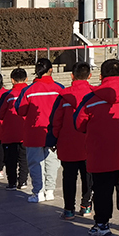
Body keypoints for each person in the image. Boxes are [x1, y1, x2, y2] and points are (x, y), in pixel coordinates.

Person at [74, 58, 119, 236]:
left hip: (99, 152)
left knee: (102, 189)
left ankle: (102, 223)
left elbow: (79, 124)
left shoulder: (90, 99)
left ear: (101, 76)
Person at [48, 61, 94, 220]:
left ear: (72, 75)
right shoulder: (94, 94)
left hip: (67, 142)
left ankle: (68, 209)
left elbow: (56, 120)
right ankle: (86, 205)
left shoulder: (63, 96)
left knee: (69, 177)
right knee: (88, 176)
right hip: (89, 142)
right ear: (90, 75)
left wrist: (53, 138)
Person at [15, 58, 64, 203]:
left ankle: (38, 192)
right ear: (51, 70)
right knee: (52, 162)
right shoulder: (60, 88)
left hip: (34, 131)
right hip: (53, 131)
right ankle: (50, 190)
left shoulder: (28, 90)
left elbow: (21, 110)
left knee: (35, 163)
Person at [0, 68, 29, 190]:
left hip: (9, 133)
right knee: (23, 158)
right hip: (25, 132)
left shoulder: (7, 95)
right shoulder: (29, 92)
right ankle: (23, 181)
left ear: (12, 80)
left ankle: (12, 182)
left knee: (11, 159)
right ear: (26, 79)